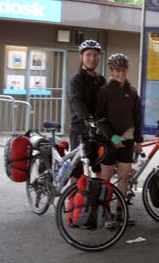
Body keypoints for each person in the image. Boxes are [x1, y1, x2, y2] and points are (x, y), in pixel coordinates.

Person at [96, 53, 143, 225]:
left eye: (122, 70)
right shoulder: (104, 91)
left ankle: (121, 212)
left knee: (124, 178)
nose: (120, 74)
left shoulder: (132, 92)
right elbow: (99, 118)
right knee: (106, 178)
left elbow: (137, 118)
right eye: (116, 71)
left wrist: (138, 141)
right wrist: (113, 137)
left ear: (126, 70)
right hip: (109, 140)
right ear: (111, 71)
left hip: (128, 140)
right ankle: (106, 214)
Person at [67, 40, 106, 181]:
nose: (92, 58)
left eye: (95, 55)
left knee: (99, 165)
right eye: (88, 54)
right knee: (78, 168)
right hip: (80, 128)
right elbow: (76, 101)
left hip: (98, 130)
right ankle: (73, 199)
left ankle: (95, 199)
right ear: (81, 57)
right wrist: (88, 119)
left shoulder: (101, 80)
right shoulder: (76, 79)